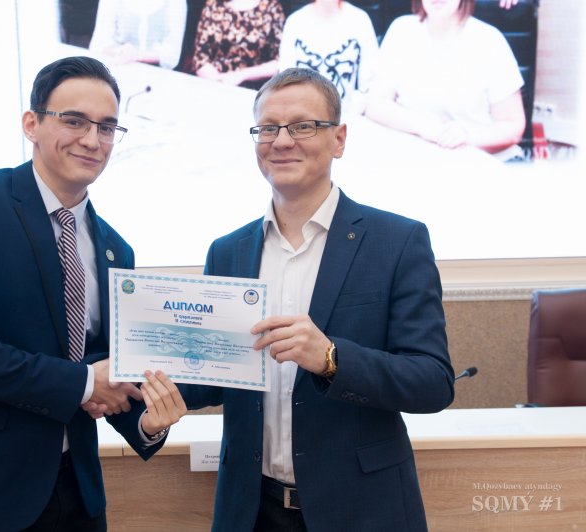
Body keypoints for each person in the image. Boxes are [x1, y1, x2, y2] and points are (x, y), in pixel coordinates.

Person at [0, 56, 186, 531]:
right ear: (31, 124)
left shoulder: (116, 249)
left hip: (77, 493)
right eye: (74, 120)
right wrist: (83, 383)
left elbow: (106, 368)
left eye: (107, 127)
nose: (92, 139)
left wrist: (147, 422)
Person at [179, 67, 455, 531]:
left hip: (361, 510)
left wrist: (331, 358)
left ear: (339, 139)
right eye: (268, 128)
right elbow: (211, 378)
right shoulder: (227, 252)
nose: (282, 141)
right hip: (252, 511)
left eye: (303, 126)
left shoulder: (397, 241)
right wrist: (148, 381)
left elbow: (433, 382)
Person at [365, 0, 526, 161]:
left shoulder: (489, 41)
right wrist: (426, 128)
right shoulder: (402, 30)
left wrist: (466, 138)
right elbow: (376, 105)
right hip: (420, 161)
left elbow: (512, 126)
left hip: (481, 162)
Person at [278, 0, 379, 116]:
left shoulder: (360, 20)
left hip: (348, 116)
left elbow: (370, 84)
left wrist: (350, 117)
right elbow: (286, 81)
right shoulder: (294, 22)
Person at [191, 0, 285, 89]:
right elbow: (199, 57)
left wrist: (241, 76)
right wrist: (218, 81)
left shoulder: (272, 9)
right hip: (212, 84)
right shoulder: (212, 5)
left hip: (253, 90)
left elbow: (280, 62)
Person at [88, 0, 188, 70]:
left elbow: (172, 56)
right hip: (117, 68)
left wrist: (137, 55)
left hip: (158, 75)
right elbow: (98, 44)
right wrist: (120, 51)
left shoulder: (176, 2)